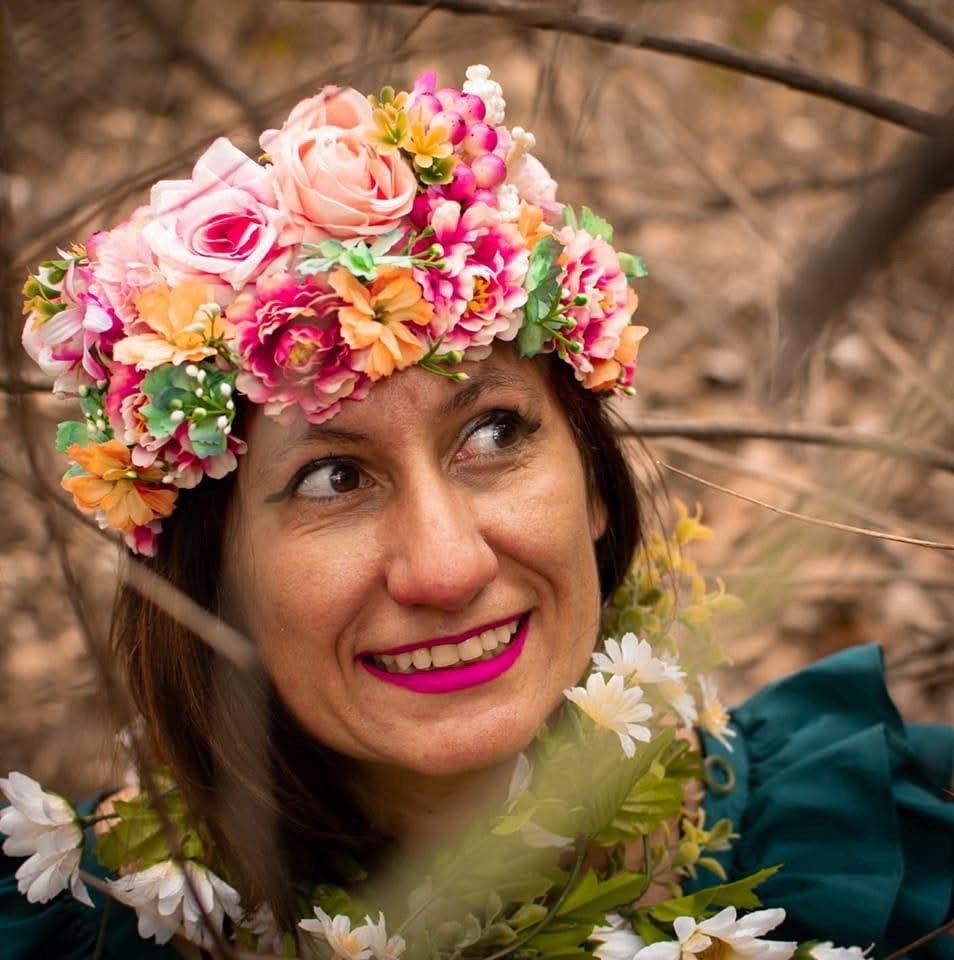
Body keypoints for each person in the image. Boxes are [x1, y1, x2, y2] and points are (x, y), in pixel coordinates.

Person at [2, 65, 951, 959]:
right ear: (209, 576)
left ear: (590, 481)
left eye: (493, 434)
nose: (448, 568)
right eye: (335, 478)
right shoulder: (87, 920)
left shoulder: (897, 850)